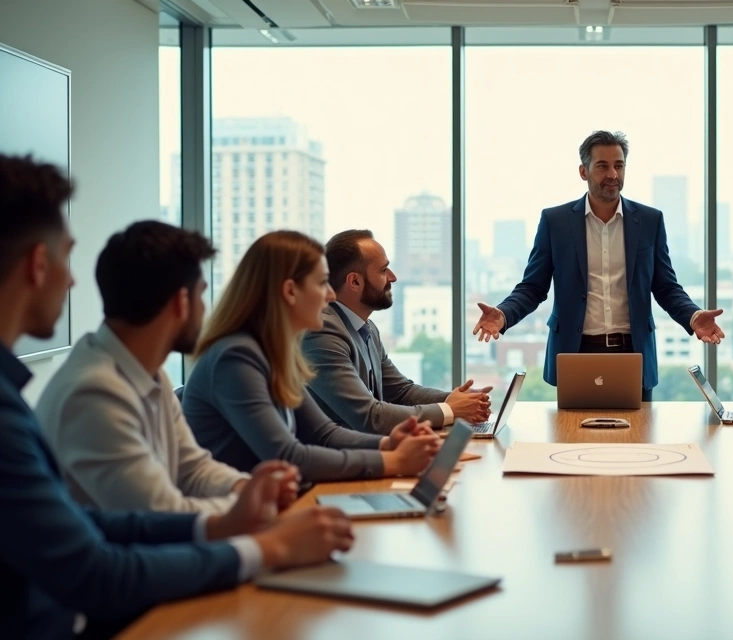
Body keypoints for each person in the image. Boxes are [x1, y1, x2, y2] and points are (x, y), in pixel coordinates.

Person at [0, 154, 351, 639]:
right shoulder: (90, 390)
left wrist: (240, 504)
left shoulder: (145, 374)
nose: (72, 279)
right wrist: (266, 544)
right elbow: (113, 554)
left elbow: (171, 480)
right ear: (39, 263)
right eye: (65, 256)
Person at [471, 130, 726, 401]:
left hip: (633, 353)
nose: (613, 174)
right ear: (584, 172)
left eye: (619, 166)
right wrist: (504, 314)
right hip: (576, 352)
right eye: (602, 166)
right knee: (573, 428)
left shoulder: (650, 221)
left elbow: (665, 287)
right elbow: (533, 287)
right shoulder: (555, 222)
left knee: (637, 429)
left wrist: (693, 316)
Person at [36, 221, 259, 514]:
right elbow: (161, 515)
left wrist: (246, 487)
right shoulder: (94, 393)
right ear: (181, 302)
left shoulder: (148, 372)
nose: (205, 308)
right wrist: (252, 506)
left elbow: (192, 469)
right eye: (201, 294)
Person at [184, 230, 440, 483]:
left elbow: (324, 434)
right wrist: (393, 461)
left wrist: (388, 444)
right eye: (321, 283)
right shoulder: (236, 357)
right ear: (290, 291)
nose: (331, 295)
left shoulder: (274, 352)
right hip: (236, 506)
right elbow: (289, 456)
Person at [303, 229, 491, 435]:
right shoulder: (321, 332)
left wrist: (460, 400)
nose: (393, 277)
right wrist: (450, 409)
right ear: (355, 281)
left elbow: (400, 391)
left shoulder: (366, 328)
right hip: (335, 454)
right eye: (384, 270)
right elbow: (370, 417)